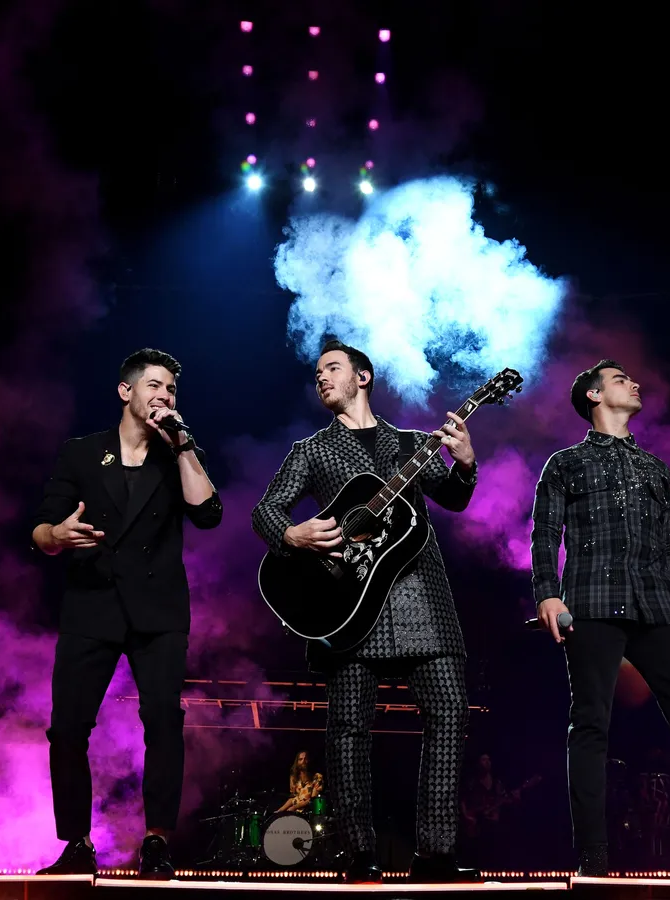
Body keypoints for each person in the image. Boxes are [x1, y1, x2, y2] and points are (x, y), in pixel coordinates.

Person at [252, 339, 480, 884]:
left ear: (363, 376)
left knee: (450, 713)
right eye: (317, 372)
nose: (321, 377)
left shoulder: (412, 443)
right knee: (349, 728)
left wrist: (466, 463)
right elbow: (265, 510)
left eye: (332, 368)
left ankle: (436, 854)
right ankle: (359, 853)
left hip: (423, 596)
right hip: (346, 603)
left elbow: (453, 497)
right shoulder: (312, 450)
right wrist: (292, 534)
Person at [530, 358, 670, 879]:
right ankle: (593, 855)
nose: (635, 384)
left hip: (658, 608)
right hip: (591, 603)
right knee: (590, 724)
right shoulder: (565, 464)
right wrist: (547, 594)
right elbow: (545, 534)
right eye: (620, 380)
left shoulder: (655, 469)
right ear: (594, 395)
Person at [33, 348, 223, 878]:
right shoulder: (81, 453)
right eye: (154, 386)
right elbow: (42, 530)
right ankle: (76, 843)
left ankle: (157, 840)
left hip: (159, 611)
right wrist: (57, 534)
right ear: (127, 391)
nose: (164, 396)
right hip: (91, 604)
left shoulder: (177, 453)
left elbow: (209, 514)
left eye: (171, 389)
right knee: (67, 729)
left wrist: (183, 446)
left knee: (162, 722)